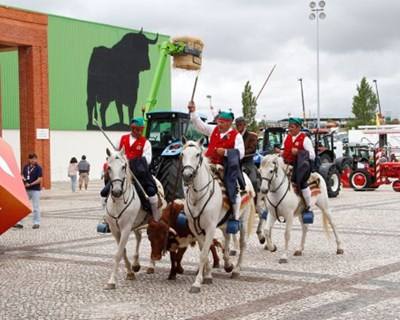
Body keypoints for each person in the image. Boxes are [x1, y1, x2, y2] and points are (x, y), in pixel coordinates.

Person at [188, 101, 245, 233]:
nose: (219, 124)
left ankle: (234, 217)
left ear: (229, 123)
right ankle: (189, 208)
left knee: (232, 187)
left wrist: (225, 152)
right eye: (218, 121)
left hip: (225, 166)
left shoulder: (236, 136)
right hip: (208, 163)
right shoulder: (213, 129)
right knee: (191, 178)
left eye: (222, 122)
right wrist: (193, 112)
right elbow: (200, 126)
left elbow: (241, 153)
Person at [102, 117, 160, 221]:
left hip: (139, 174)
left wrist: (131, 162)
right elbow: (115, 154)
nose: (139, 132)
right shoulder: (122, 139)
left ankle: (155, 218)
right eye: (136, 129)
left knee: (151, 192)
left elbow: (147, 159)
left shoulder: (145, 143)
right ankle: (106, 217)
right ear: (132, 128)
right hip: (122, 174)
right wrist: (117, 160)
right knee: (104, 192)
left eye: (141, 130)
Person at [282, 118, 316, 220]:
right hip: (286, 165)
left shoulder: (305, 139)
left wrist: (299, 152)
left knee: (301, 182)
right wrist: (280, 152)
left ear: (298, 127)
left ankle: (308, 207)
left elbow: (312, 155)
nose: (289, 129)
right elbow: (283, 150)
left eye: (291, 127)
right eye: (289, 126)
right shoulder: (286, 138)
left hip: (301, 166)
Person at [14, 153, 43, 229]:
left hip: (35, 190)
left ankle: (36, 222)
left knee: (36, 207)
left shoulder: (38, 168)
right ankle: (20, 223)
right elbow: (22, 175)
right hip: (26, 189)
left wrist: (30, 184)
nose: (33, 160)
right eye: (32, 159)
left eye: (35, 158)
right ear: (29, 160)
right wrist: (24, 180)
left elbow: (40, 179)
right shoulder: (26, 167)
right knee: (22, 206)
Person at [235, 117, 259, 192]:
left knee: (253, 181)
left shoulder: (252, 136)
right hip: (236, 162)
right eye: (237, 125)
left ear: (244, 125)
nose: (238, 126)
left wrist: (238, 153)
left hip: (247, 162)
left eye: (240, 125)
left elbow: (252, 149)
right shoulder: (234, 136)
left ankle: (255, 200)